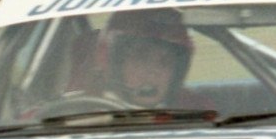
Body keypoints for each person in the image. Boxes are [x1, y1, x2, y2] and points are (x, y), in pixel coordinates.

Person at [68, 9, 208, 109]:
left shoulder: (196, 111)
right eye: (142, 57)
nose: (154, 71)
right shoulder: (76, 111)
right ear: (109, 59)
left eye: (165, 62)